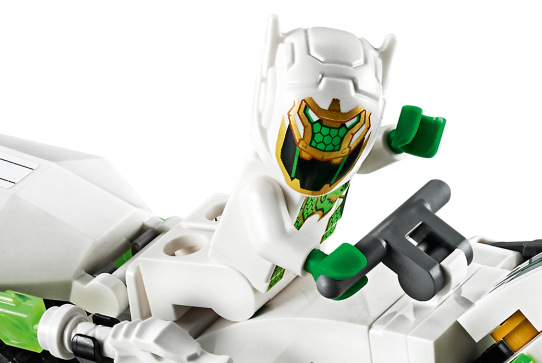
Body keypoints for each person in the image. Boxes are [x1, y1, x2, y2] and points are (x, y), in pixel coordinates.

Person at [127, 15, 446, 323]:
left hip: (291, 276)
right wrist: (317, 263)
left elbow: (359, 160)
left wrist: (395, 144)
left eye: (346, 133)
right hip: (240, 279)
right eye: (315, 124)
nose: (327, 151)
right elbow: (270, 238)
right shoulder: (262, 184)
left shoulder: (346, 157)